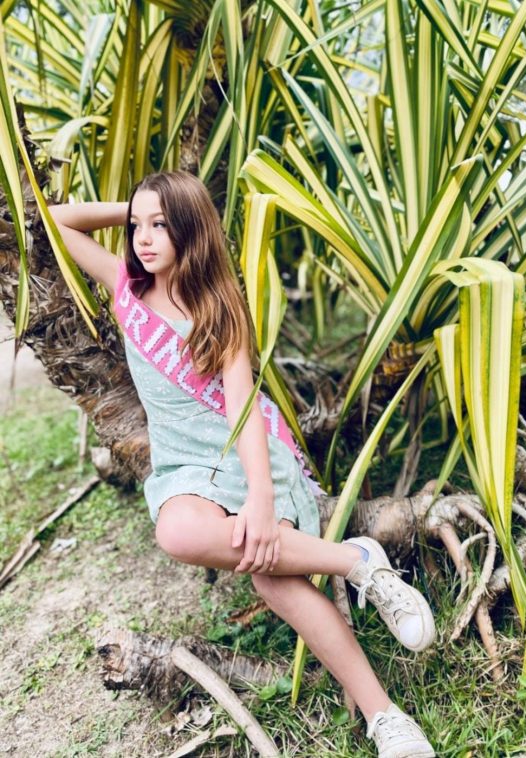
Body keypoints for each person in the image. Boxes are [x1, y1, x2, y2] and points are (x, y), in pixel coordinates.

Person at [48, 170, 436, 758]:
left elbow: (244, 412)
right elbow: (56, 222)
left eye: (160, 225)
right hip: (184, 468)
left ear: (190, 229)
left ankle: (386, 717)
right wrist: (134, 206)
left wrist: (259, 498)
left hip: (242, 453)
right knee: (177, 532)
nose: (143, 238)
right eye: (137, 226)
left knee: (271, 576)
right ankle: (356, 562)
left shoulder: (217, 310)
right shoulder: (126, 287)